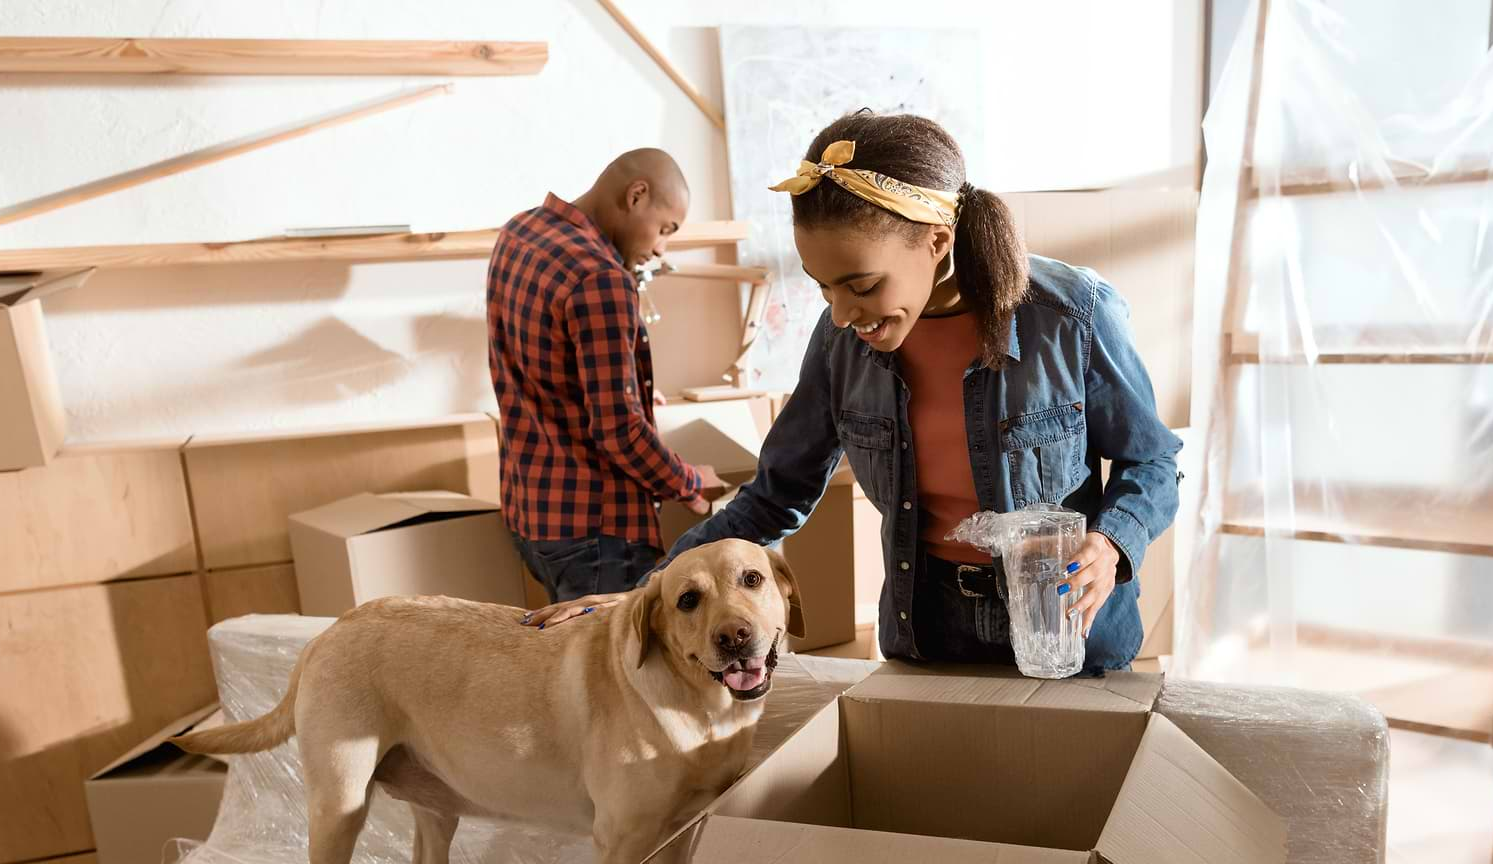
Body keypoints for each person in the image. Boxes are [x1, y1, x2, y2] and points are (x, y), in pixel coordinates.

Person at [528, 112, 1180, 675]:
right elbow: (777, 494)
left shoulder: (1070, 314)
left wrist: (1111, 542)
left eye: (862, 286)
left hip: (1069, 630)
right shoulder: (842, 342)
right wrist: (639, 595)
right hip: (930, 630)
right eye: (823, 288)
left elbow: (1152, 461)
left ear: (938, 241)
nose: (842, 314)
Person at [487, 147, 726, 604]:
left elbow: (539, 365)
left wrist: (629, 392)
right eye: (665, 229)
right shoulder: (600, 277)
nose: (660, 248)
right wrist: (689, 482)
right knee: (610, 674)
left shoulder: (520, 231)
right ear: (636, 195)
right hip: (596, 532)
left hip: (532, 514)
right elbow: (619, 432)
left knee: (574, 664)